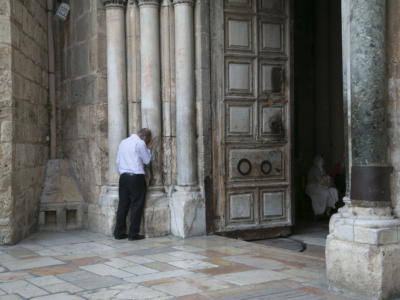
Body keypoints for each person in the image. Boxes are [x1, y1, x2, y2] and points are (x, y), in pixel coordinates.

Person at [114, 128, 154, 241]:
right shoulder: (140, 143)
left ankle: (119, 232)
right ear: (145, 138)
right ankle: (133, 234)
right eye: (148, 140)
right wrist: (149, 149)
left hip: (124, 176)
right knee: (136, 205)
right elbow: (146, 161)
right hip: (136, 178)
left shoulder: (123, 141)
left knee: (123, 204)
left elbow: (118, 161)